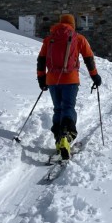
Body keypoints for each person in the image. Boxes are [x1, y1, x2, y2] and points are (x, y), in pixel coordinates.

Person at [37, 14, 101, 160]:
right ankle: (67, 135)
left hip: (52, 80)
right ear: (72, 24)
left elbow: (41, 60)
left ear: (60, 23)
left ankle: (59, 138)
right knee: (68, 108)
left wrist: (42, 78)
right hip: (71, 80)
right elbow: (88, 58)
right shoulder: (78, 38)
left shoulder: (49, 39)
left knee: (58, 109)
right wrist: (95, 76)